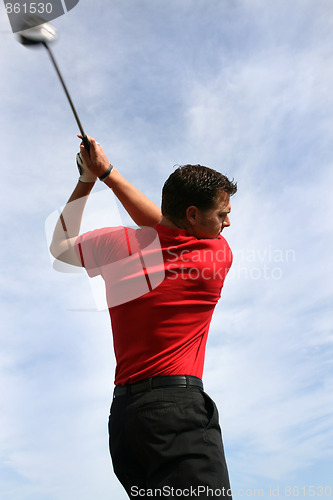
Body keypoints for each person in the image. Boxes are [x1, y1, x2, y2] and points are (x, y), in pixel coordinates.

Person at [50, 136, 237, 499]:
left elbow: (60, 248)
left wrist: (89, 179)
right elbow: (163, 225)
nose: (227, 223)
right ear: (194, 215)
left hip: (125, 422)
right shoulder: (212, 258)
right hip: (177, 416)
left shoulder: (115, 245)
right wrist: (107, 173)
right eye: (222, 213)